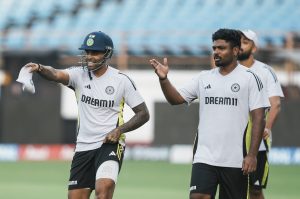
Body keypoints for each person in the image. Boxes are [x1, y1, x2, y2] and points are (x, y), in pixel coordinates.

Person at [24, 31, 150, 199]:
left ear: (107, 54)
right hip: (83, 147)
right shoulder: (78, 75)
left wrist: (119, 130)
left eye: (95, 52)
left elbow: (143, 113)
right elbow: (55, 73)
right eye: (87, 52)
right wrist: (39, 68)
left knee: (103, 192)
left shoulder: (122, 80)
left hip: (109, 145)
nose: (89, 56)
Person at [150, 28, 270, 199]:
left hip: (236, 160)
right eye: (214, 48)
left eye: (221, 48)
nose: (216, 52)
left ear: (235, 50)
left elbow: (259, 118)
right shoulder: (204, 77)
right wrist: (163, 79)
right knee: (198, 196)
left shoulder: (250, 78)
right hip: (204, 157)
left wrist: (252, 155)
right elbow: (175, 99)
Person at [238, 30, 284, 199]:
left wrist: (267, 128)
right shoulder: (228, 70)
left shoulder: (265, 71)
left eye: (246, 42)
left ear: (254, 47)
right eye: (239, 41)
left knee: (255, 190)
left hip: (256, 141)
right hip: (231, 140)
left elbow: (275, 104)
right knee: (231, 187)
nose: (241, 45)